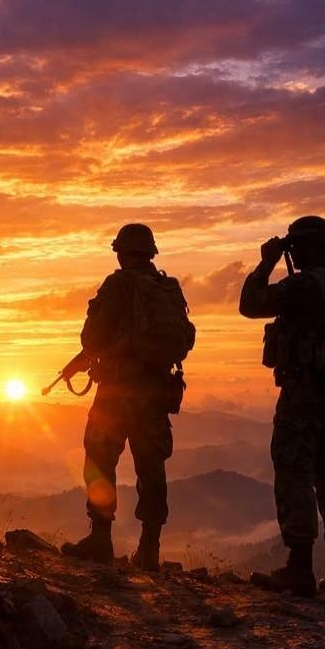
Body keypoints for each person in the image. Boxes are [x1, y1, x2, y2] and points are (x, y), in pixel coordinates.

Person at [239, 216, 325, 596]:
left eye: (294, 247)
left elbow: (250, 303)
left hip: (303, 393)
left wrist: (267, 261)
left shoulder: (304, 286)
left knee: (294, 470)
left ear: (304, 248)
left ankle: (300, 568)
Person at [61, 224, 195, 570]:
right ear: (150, 253)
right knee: (151, 466)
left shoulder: (117, 284)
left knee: (99, 459)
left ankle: (100, 538)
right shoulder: (168, 288)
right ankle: (149, 548)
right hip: (156, 392)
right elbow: (186, 340)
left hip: (117, 392)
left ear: (121, 253)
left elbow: (92, 338)